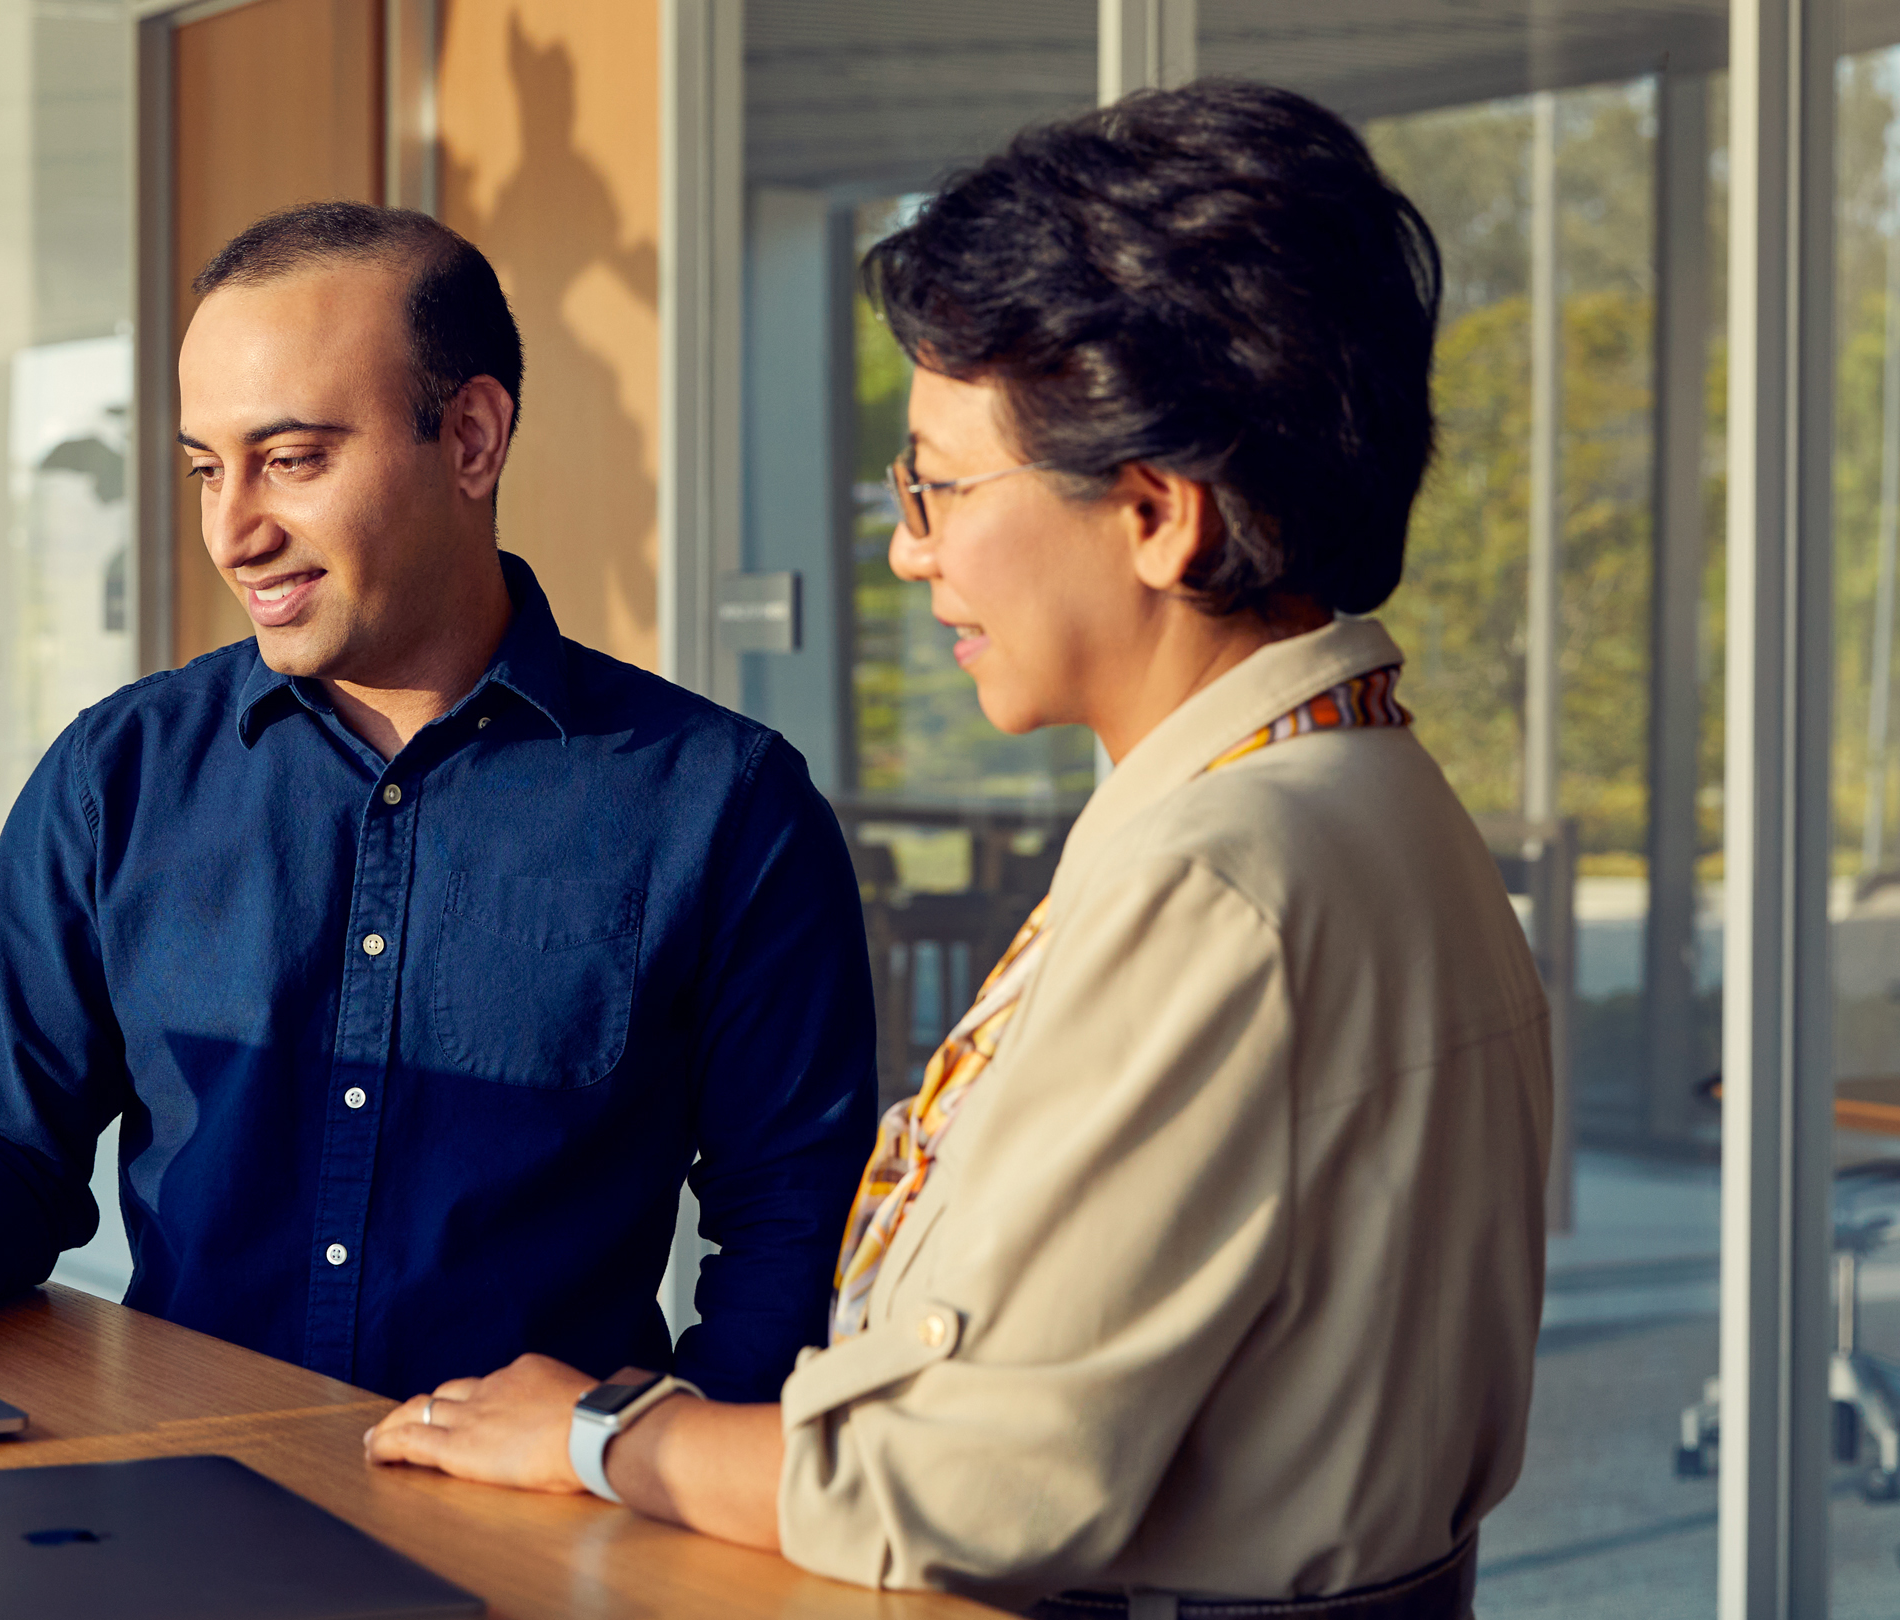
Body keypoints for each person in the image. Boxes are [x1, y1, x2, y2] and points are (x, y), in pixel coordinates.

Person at [365, 82, 1549, 1620]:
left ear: (1156, 515)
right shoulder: (1367, 793)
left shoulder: (1221, 877)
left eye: (936, 485)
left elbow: (962, 1488)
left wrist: (595, 1433)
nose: (909, 545)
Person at [0, 203, 877, 1403]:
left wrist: (669, 1492)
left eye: (291, 461)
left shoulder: (726, 808)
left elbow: (787, 1231)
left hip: (536, 1541)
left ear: (470, 439)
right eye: (206, 469)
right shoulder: (112, 779)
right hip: (179, 1503)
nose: (234, 530)